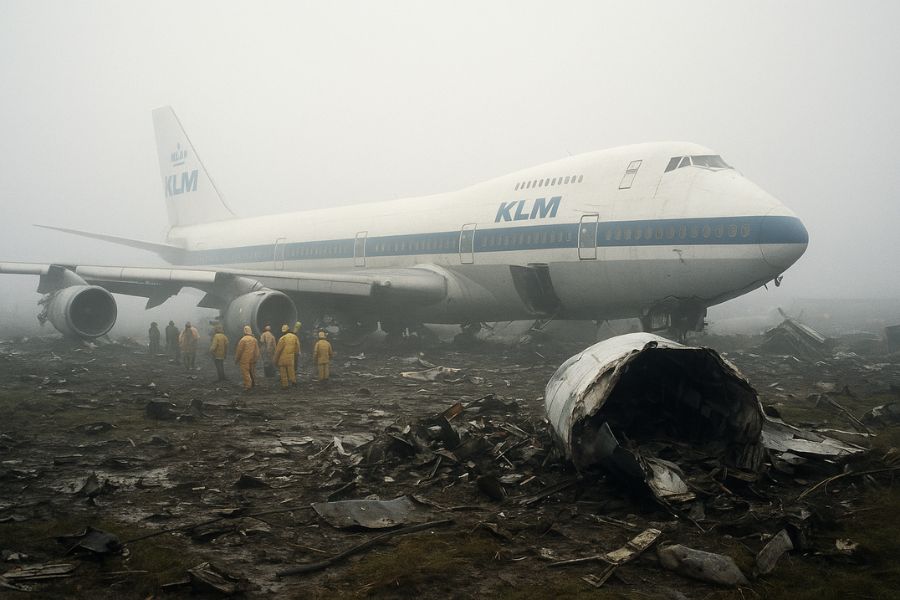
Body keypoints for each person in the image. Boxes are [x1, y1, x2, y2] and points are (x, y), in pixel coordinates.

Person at [273, 324, 300, 389]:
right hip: (291, 358)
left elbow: (278, 350)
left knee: (283, 372)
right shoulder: (294, 337)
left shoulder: (282, 338)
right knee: (291, 371)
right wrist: (296, 355)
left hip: (282, 359)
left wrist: (275, 360)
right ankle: (293, 382)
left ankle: (285, 385)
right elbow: (297, 348)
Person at [234, 325, 260, 391]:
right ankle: (253, 383)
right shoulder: (254, 339)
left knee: (245, 372)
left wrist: (236, 359)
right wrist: (256, 358)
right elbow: (257, 350)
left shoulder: (243, 340)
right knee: (252, 371)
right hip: (253, 359)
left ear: (244, 331)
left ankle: (248, 385)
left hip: (244, 359)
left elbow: (239, 351)